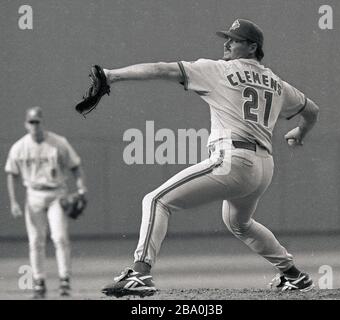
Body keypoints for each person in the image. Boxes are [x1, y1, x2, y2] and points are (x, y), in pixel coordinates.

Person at [85, 19, 319, 297]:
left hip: (233, 160)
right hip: (263, 167)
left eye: (235, 39)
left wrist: (112, 75)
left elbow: (162, 69)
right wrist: (300, 133)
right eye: (227, 38)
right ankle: (293, 275)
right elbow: (312, 110)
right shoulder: (277, 83)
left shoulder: (219, 70)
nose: (227, 43)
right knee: (239, 224)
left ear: (253, 46)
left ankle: (140, 273)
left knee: (157, 200)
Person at [5, 107, 88, 299]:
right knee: (35, 241)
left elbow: (75, 166)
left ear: (43, 122)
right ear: (26, 124)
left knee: (60, 238)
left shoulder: (58, 143)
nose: (35, 125)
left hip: (57, 194)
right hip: (33, 195)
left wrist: (82, 188)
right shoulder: (19, 147)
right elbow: (12, 174)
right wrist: (14, 202)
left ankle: (65, 280)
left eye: (37, 122)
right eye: (31, 122)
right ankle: (39, 282)